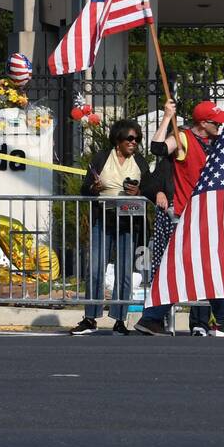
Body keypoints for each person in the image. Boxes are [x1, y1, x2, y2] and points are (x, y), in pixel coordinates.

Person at [133, 99, 224, 337]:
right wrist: (167, 117)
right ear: (203, 123)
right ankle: (223, 319)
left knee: (210, 266)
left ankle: (223, 319)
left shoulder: (214, 143)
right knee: (203, 266)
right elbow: (157, 148)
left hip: (205, 213)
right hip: (187, 214)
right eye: (215, 122)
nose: (219, 126)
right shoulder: (184, 138)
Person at [71, 118, 150, 335]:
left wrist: (139, 191)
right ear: (118, 139)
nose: (134, 142)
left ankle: (120, 319)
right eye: (130, 138)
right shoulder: (102, 158)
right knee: (96, 267)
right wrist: (94, 187)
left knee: (124, 271)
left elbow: (150, 190)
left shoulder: (140, 162)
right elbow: (84, 189)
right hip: (103, 217)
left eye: (137, 139)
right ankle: (90, 317)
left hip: (129, 220)